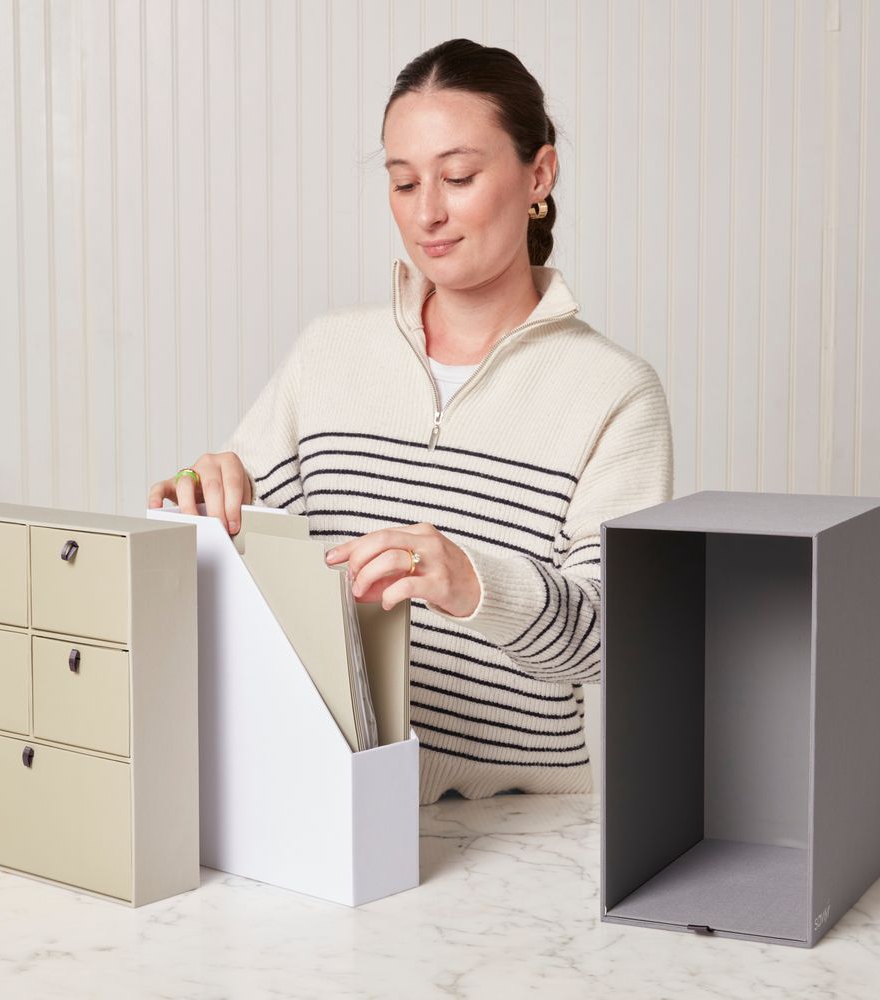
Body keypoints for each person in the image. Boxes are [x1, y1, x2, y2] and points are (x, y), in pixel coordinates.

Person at [148, 38, 671, 805]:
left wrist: (474, 583)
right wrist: (206, 503)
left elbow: (611, 637)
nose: (427, 212)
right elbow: (242, 576)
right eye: (402, 182)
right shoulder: (329, 352)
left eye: (458, 177)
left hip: (522, 839)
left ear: (540, 175)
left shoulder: (614, 393)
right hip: (325, 807)